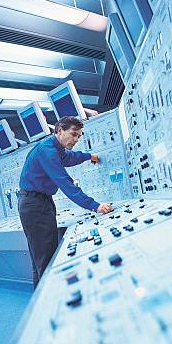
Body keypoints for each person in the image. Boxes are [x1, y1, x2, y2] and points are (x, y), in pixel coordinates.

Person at [18, 115, 113, 288]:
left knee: (39, 258)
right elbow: (65, 184)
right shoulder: (47, 151)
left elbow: (69, 157)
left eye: (79, 136)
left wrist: (88, 156)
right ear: (59, 130)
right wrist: (95, 206)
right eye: (73, 134)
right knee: (46, 259)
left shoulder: (54, 147)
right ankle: (49, 301)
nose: (76, 139)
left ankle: (40, 300)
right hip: (35, 205)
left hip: (38, 202)